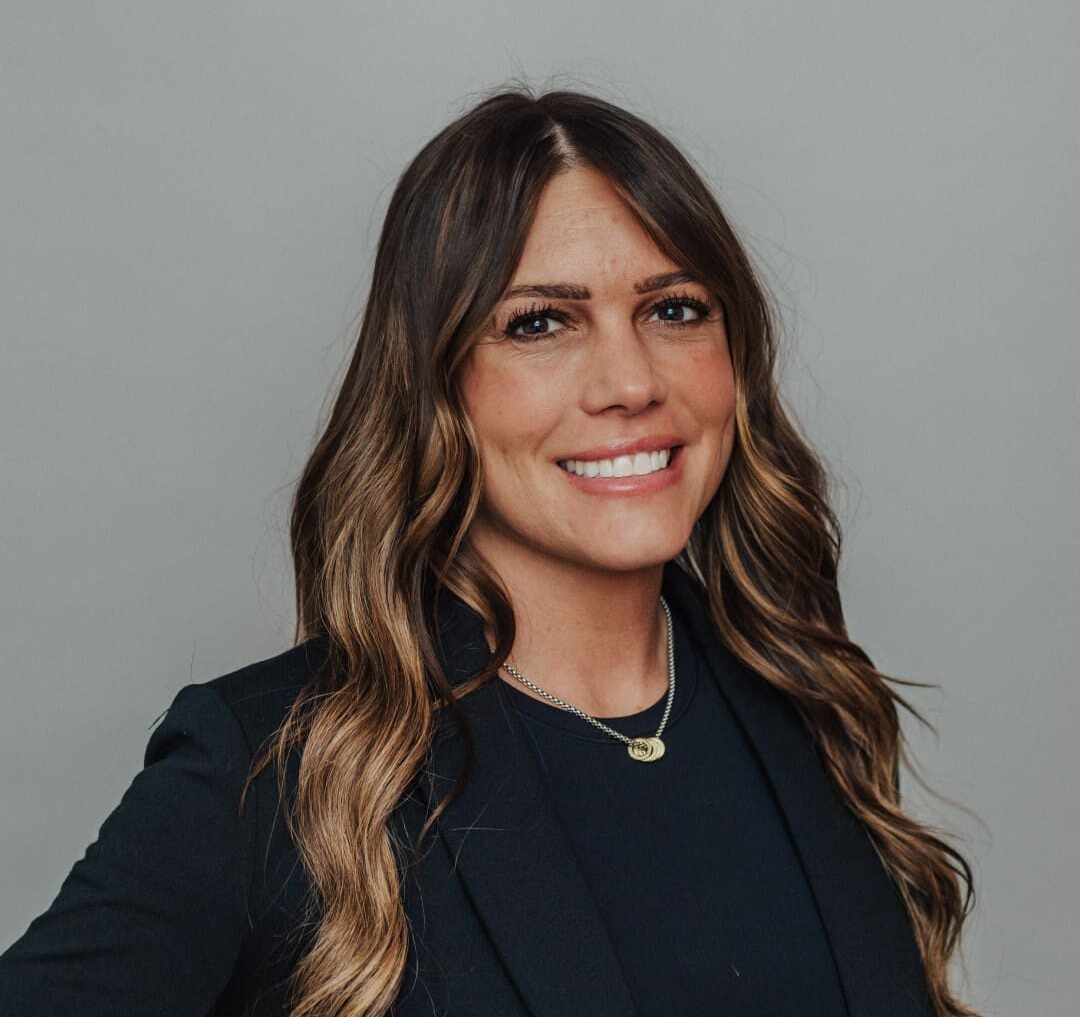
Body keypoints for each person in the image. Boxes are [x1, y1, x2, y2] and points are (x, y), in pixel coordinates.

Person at [0, 86, 979, 1016]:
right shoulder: (269, 767)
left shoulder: (810, 704)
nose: (630, 381)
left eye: (674, 308)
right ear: (437, 387)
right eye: (540, 323)